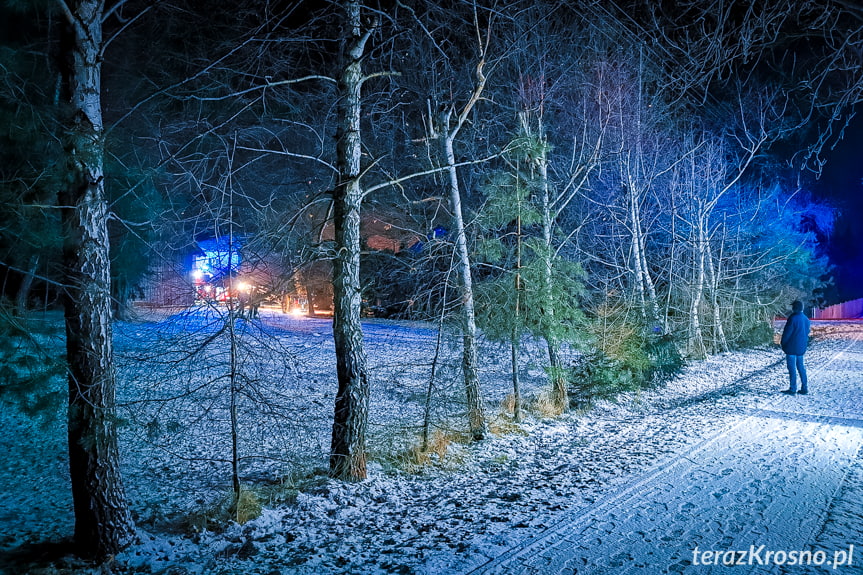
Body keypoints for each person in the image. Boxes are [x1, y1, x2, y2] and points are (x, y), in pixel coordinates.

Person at [780, 300, 811, 395]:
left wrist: (783, 344)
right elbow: (807, 333)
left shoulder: (792, 318)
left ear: (795, 308)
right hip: (801, 347)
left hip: (791, 347)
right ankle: (804, 387)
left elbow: (787, 333)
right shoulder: (806, 319)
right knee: (801, 368)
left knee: (792, 369)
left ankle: (793, 388)